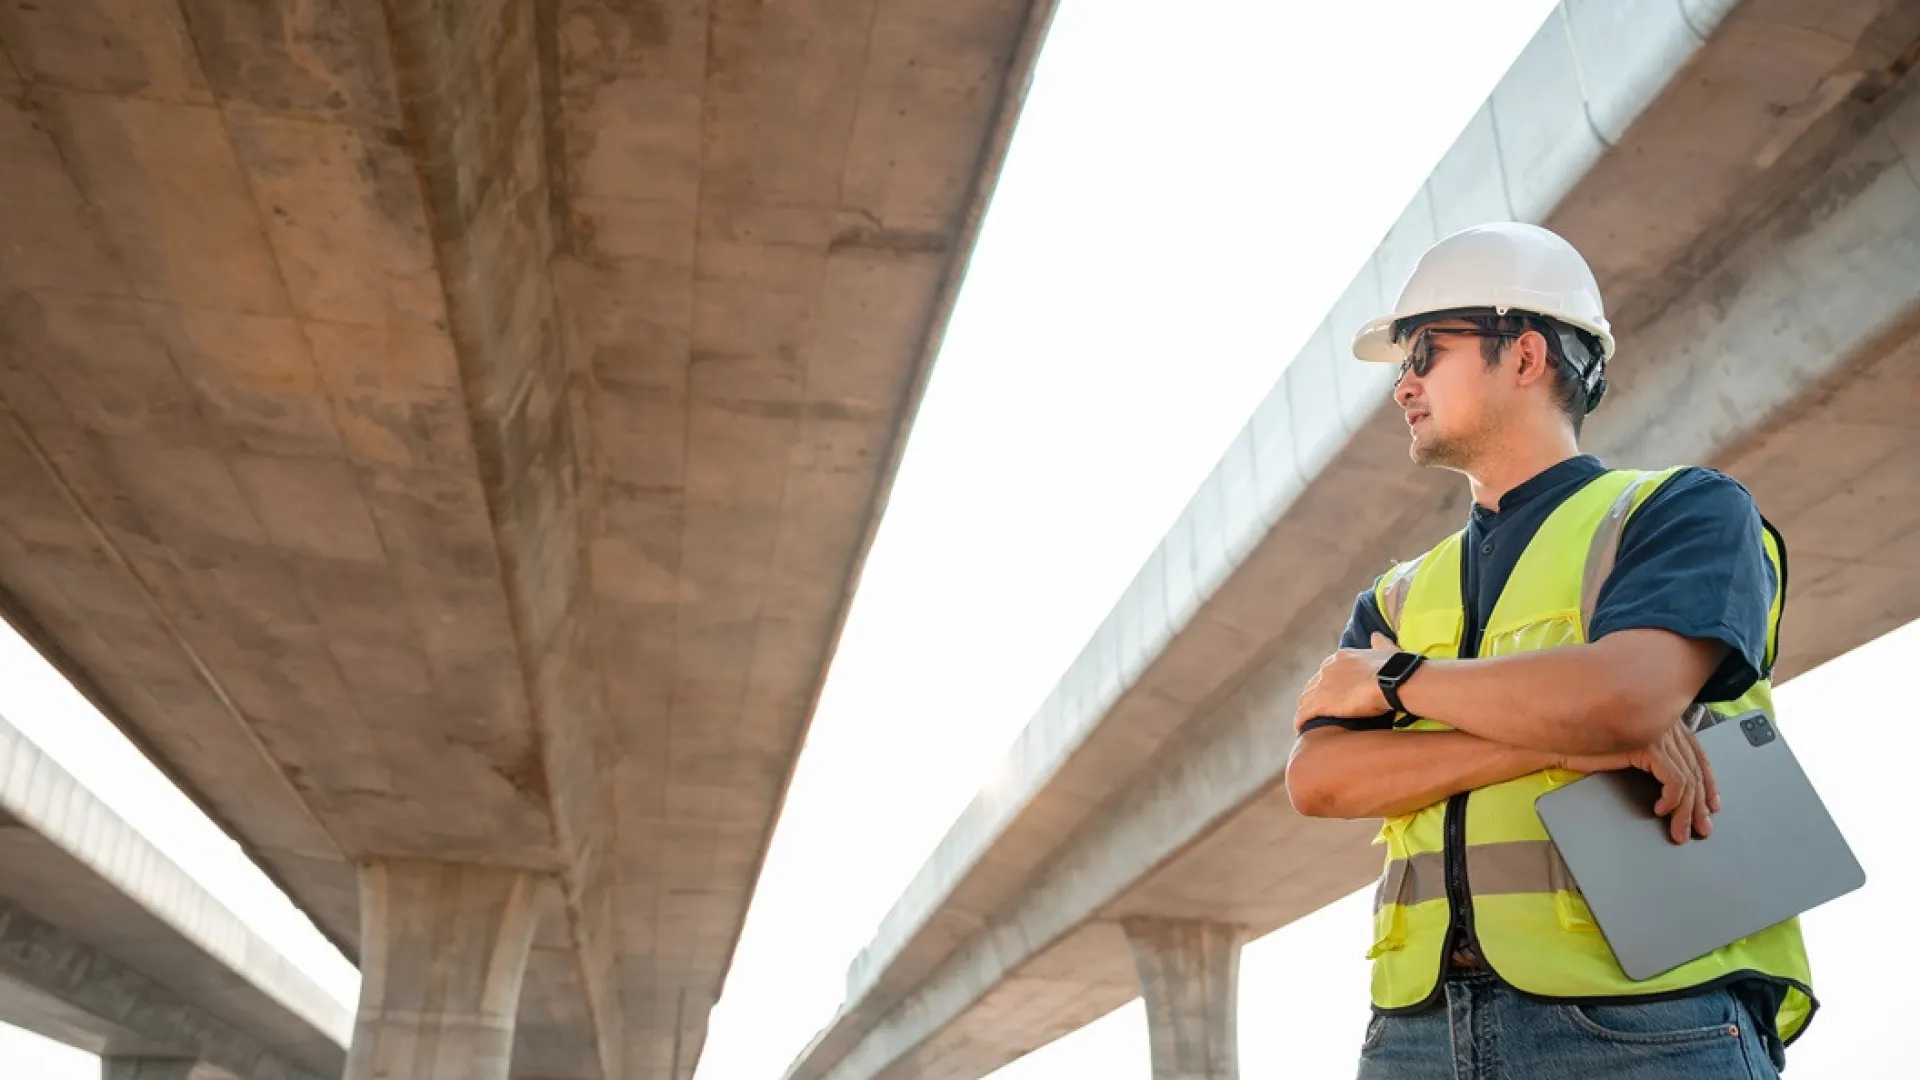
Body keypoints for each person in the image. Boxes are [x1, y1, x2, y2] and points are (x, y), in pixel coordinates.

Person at [1283, 221, 1816, 1079]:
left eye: (1425, 351)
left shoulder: (1681, 511)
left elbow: (1626, 700)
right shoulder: (1398, 593)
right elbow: (1322, 781)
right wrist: (1559, 738)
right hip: (1416, 1031)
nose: (1403, 385)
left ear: (1525, 355)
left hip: (1648, 1017)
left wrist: (1397, 681)